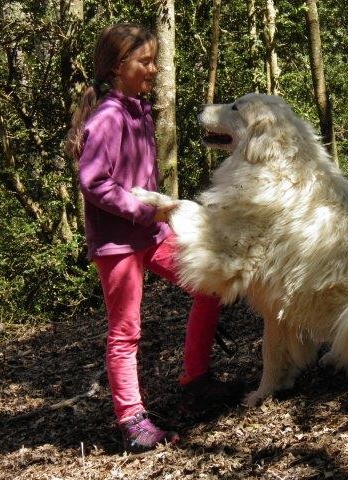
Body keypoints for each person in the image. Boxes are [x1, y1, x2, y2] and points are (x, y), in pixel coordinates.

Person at [66, 23, 224, 452]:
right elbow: (94, 181)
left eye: (155, 60)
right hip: (118, 244)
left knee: (210, 284)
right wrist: (141, 210)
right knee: (126, 330)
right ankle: (132, 420)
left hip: (151, 233)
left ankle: (195, 380)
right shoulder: (109, 117)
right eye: (145, 61)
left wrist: (157, 216)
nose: (154, 69)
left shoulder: (137, 110)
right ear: (120, 67)